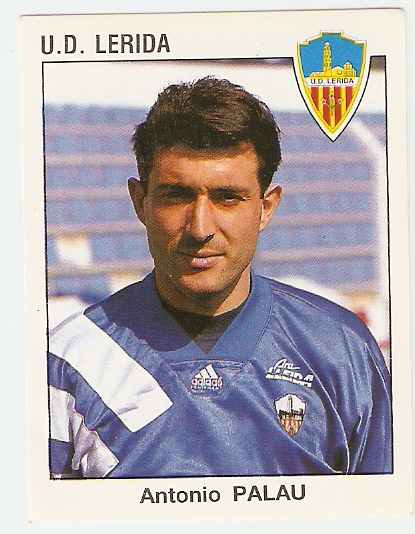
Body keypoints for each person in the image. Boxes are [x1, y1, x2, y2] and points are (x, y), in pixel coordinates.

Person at [48, 77, 391, 478]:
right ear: (140, 202)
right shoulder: (70, 360)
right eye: (176, 196)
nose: (200, 228)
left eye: (228, 198)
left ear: (266, 207)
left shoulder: (341, 350)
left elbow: (387, 508)